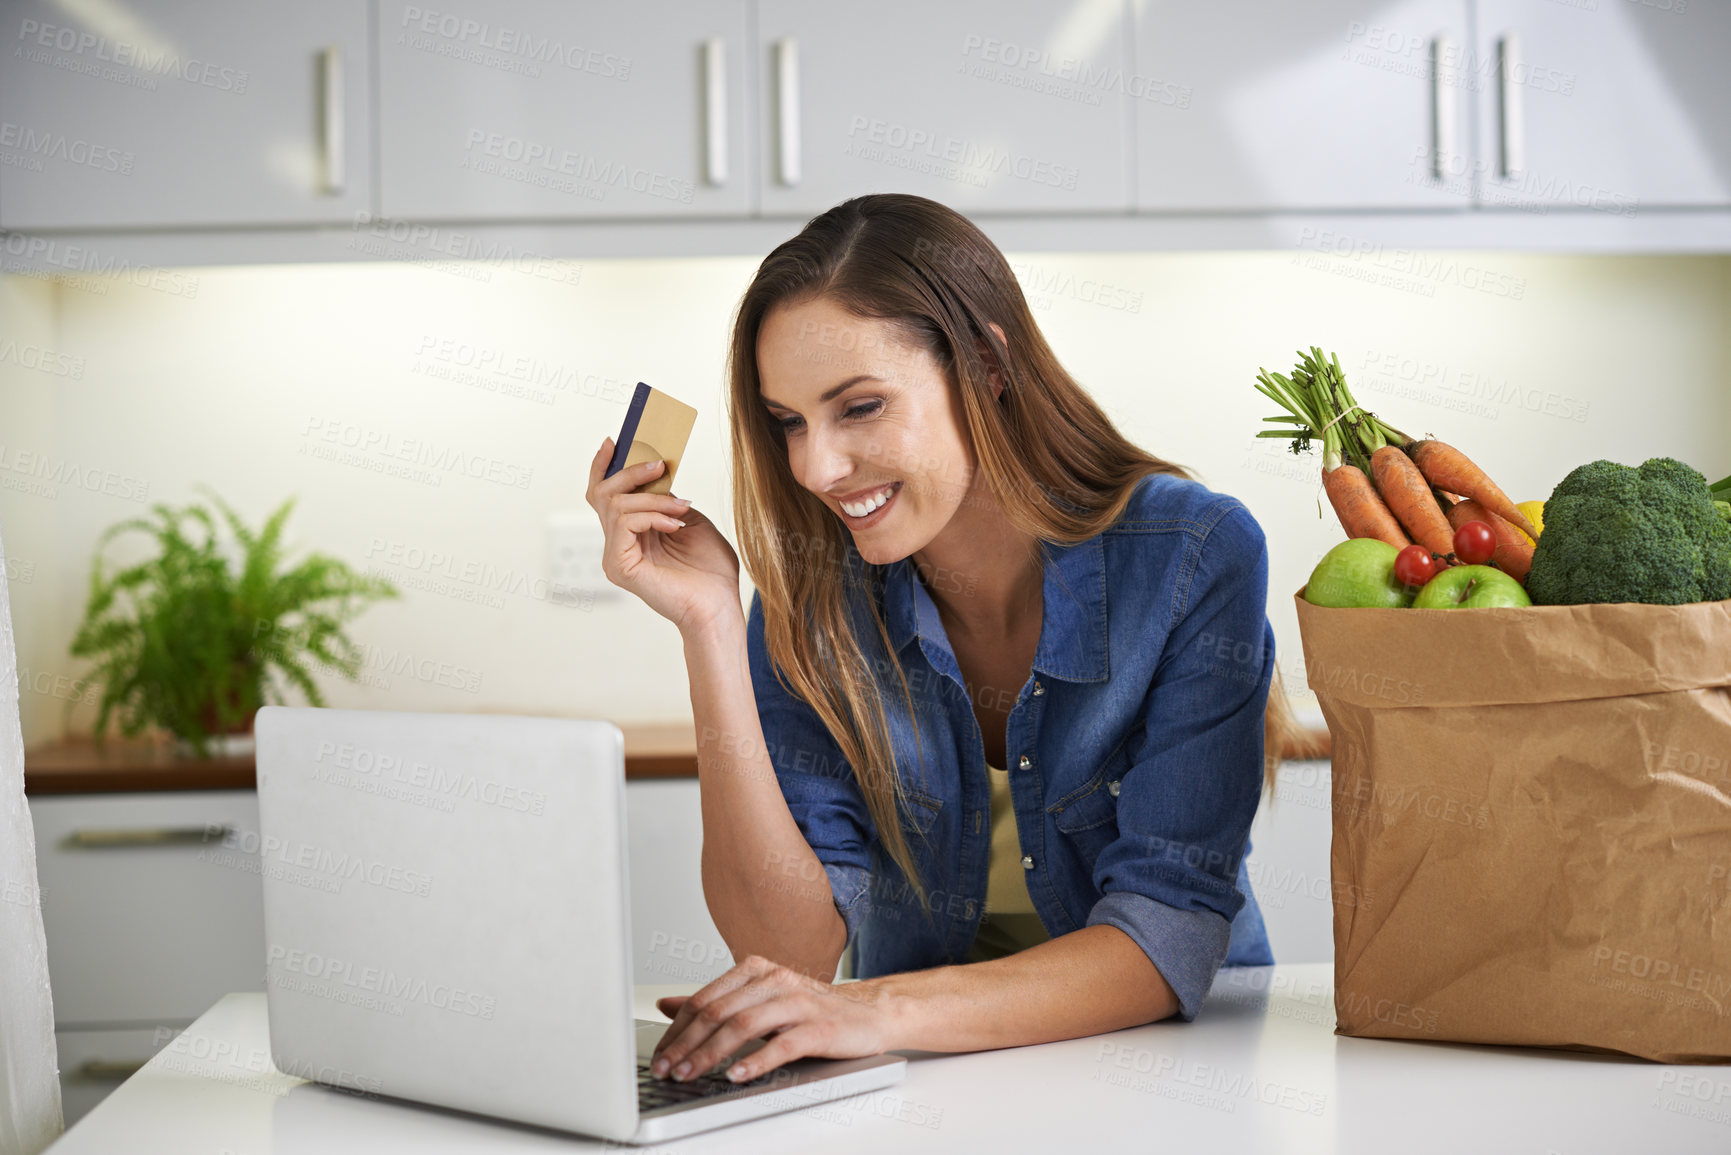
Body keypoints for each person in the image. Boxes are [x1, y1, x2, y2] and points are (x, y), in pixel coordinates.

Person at [584, 193, 1300, 1089]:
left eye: (861, 406)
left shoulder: (1194, 556)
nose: (814, 467)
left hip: (1175, 1072)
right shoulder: (815, 593)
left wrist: (872, 1008)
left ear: (986, 366)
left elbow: (1165, 936)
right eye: (789, 422)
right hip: (929, 1082)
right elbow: (786, 950)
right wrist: (711, 626)